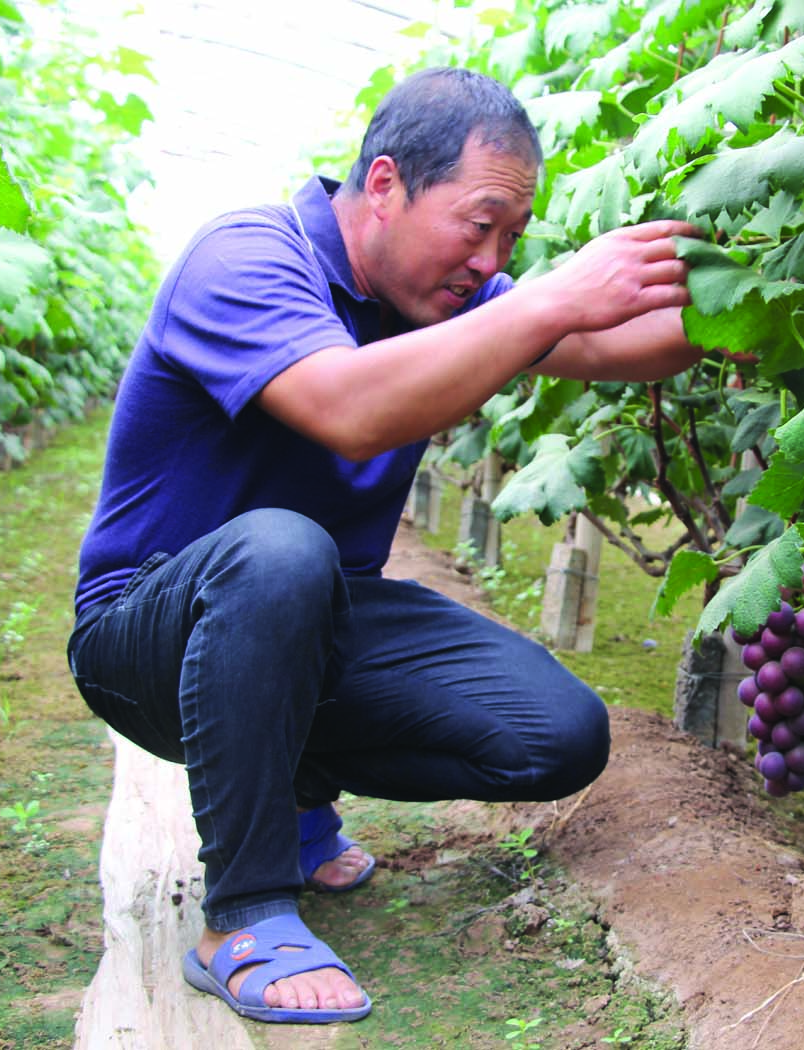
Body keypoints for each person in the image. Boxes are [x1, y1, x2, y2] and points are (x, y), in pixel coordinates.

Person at [66, 66, 703, 1025]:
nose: (493, 260)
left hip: (311, 621)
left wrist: (753, 299)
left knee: (558, 734)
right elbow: (348, 409)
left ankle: (292, 784)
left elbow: (620, 345)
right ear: (383, 185)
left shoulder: (443, 299)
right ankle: (242, 912)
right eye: (478, 224)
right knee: (281, 550)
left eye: (513, 240)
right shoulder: (246, 256)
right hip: (148, 635)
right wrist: (544, 297)